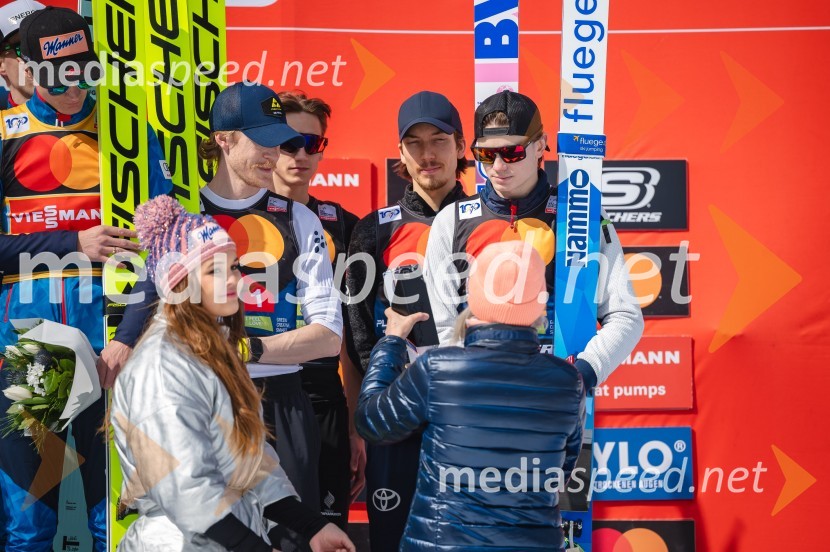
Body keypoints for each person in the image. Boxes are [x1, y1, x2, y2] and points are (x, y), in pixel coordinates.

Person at [116, 82, 343, 552]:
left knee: (291, 534)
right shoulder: (182, 219)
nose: (275, 152)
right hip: (200, 393)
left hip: (280, 399)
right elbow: (144, 308)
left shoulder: (300, 219)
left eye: (279, 139)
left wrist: (245, 349)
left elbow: (329, 337)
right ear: (223, 139)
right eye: (261, 138)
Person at [0, 7, 172, 550]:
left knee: (115, 518)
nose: (72, 87)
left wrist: (126, 341)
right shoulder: (5, 135)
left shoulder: (128, 134)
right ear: (27, 69)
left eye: (82, 70)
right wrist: (71, 243)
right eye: (56, 76)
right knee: (29, 524)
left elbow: (162, 250)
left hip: (116, 351)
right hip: (34, 351)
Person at [356, 240, 586, 551]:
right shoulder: (567, 380)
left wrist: (392, 341)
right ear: (540, 305)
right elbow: (560, 471)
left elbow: (372, 421)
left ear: (474, 295)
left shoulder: (437, 369)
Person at [423, 90, 644, 391]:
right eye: (486, 154)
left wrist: (581, 375)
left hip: (555, 402)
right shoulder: (452, 220)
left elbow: (625, 315)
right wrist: (465, 380)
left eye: (512, 152)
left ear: (540, 145)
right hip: (477, 400)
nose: (498, 166)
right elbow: (442, 324)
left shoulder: (579, 214)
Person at [345, 90, 468, 551]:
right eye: (413, 143)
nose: (427, 153)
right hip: (399, 420)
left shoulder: (489, 223)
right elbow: (358, 331)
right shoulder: (374, 229)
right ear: (399, 152)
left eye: (438, 139)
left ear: (460, 146)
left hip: (469, 419)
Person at [273, 91, 366, 529]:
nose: (300, 155)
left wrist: (353, 428)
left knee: (326, 531)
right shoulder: (234, 218)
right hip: (260, 394)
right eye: (288, 143)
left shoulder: (343, 225)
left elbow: (352, 332)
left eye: (312, 144)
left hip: (323, 398)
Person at [0, 0, 43, 109]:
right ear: (1, 64)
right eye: (24, 48)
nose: (40, 58)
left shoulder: (91, 111)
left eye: (45, 45)